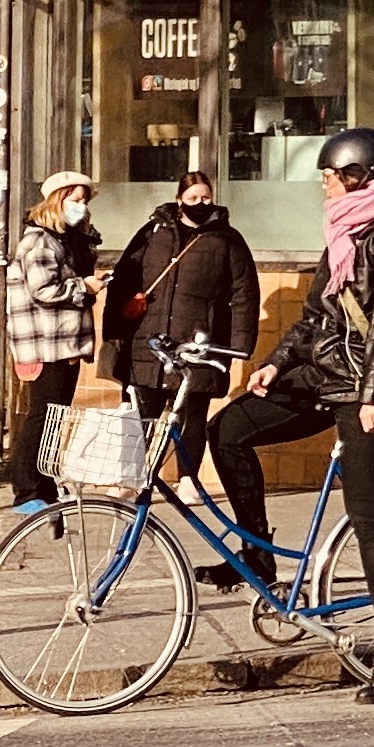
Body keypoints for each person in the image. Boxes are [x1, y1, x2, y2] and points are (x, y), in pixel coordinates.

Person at [204, 127, 374, 702]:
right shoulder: (344, 235)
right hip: (325, 379)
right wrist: (275, 365)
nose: (325, 185)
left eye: (331, 176)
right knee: (228, 429)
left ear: (360, 177)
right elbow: (315, 319)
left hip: (372, 392)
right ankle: (257, 553)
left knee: (368, 517)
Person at [108, 169, 259, 516]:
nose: (200, 203)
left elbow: (245, 293)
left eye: (206, 197)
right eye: (193, 198)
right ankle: (130, 477)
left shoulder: (227, 239)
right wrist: (115, 331)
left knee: (193, 414)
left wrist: (239, 345)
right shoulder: (152, 233)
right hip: (149, 339)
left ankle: (189, 478)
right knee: (141, 413)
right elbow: (123, 279)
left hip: (200, 341)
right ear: (179, 200)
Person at [1, 172, 105, 509]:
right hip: (45, 345)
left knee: (55, 418)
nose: (81, 206)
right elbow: (44, 290)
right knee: (42, 416)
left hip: (63, 343)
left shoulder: (63, 240)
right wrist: (83, 287)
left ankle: (44, 485)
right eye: (75, 199)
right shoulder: (40, 241)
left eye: (85, 200)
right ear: (58, 200)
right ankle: (26, 489)